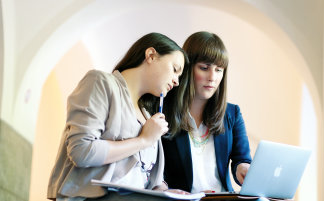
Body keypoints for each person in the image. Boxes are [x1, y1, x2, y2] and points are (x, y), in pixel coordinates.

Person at [47, 32, 188, 201]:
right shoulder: (101, 82)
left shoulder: (148, 116)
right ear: (151, 55)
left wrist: (166, 191)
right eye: (175, 70)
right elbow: (81, 151)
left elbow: (150, 180)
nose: (177, 81)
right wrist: (143, 141)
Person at [162, 31, 252, 193]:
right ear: (187, 68)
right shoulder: (164, 112)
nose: (212, 77)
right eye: (204, 68)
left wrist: (243, 168)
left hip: (223, 197)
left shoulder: (232, 113)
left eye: (219, 70)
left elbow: (242, 159)